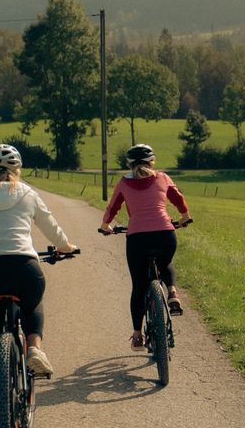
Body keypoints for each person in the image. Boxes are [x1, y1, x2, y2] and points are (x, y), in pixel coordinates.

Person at [0, 143, 77, 426]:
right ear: (16, 169)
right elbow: (51, 228)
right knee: (33, 301)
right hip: (24, 269)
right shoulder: (28, 194)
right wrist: (66, 246)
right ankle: (34, 347)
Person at [99, 143, 192, 351]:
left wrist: (106, 226)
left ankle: (137, 335)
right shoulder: (163, 177)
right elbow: (178, 198)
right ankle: (172, 293)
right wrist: (185, 217)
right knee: (165, 261)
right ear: (152, 161)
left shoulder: (124, 182)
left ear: (129, 164)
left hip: (137, 239)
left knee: (139, 286)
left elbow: (113, 206)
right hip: (165, 236)